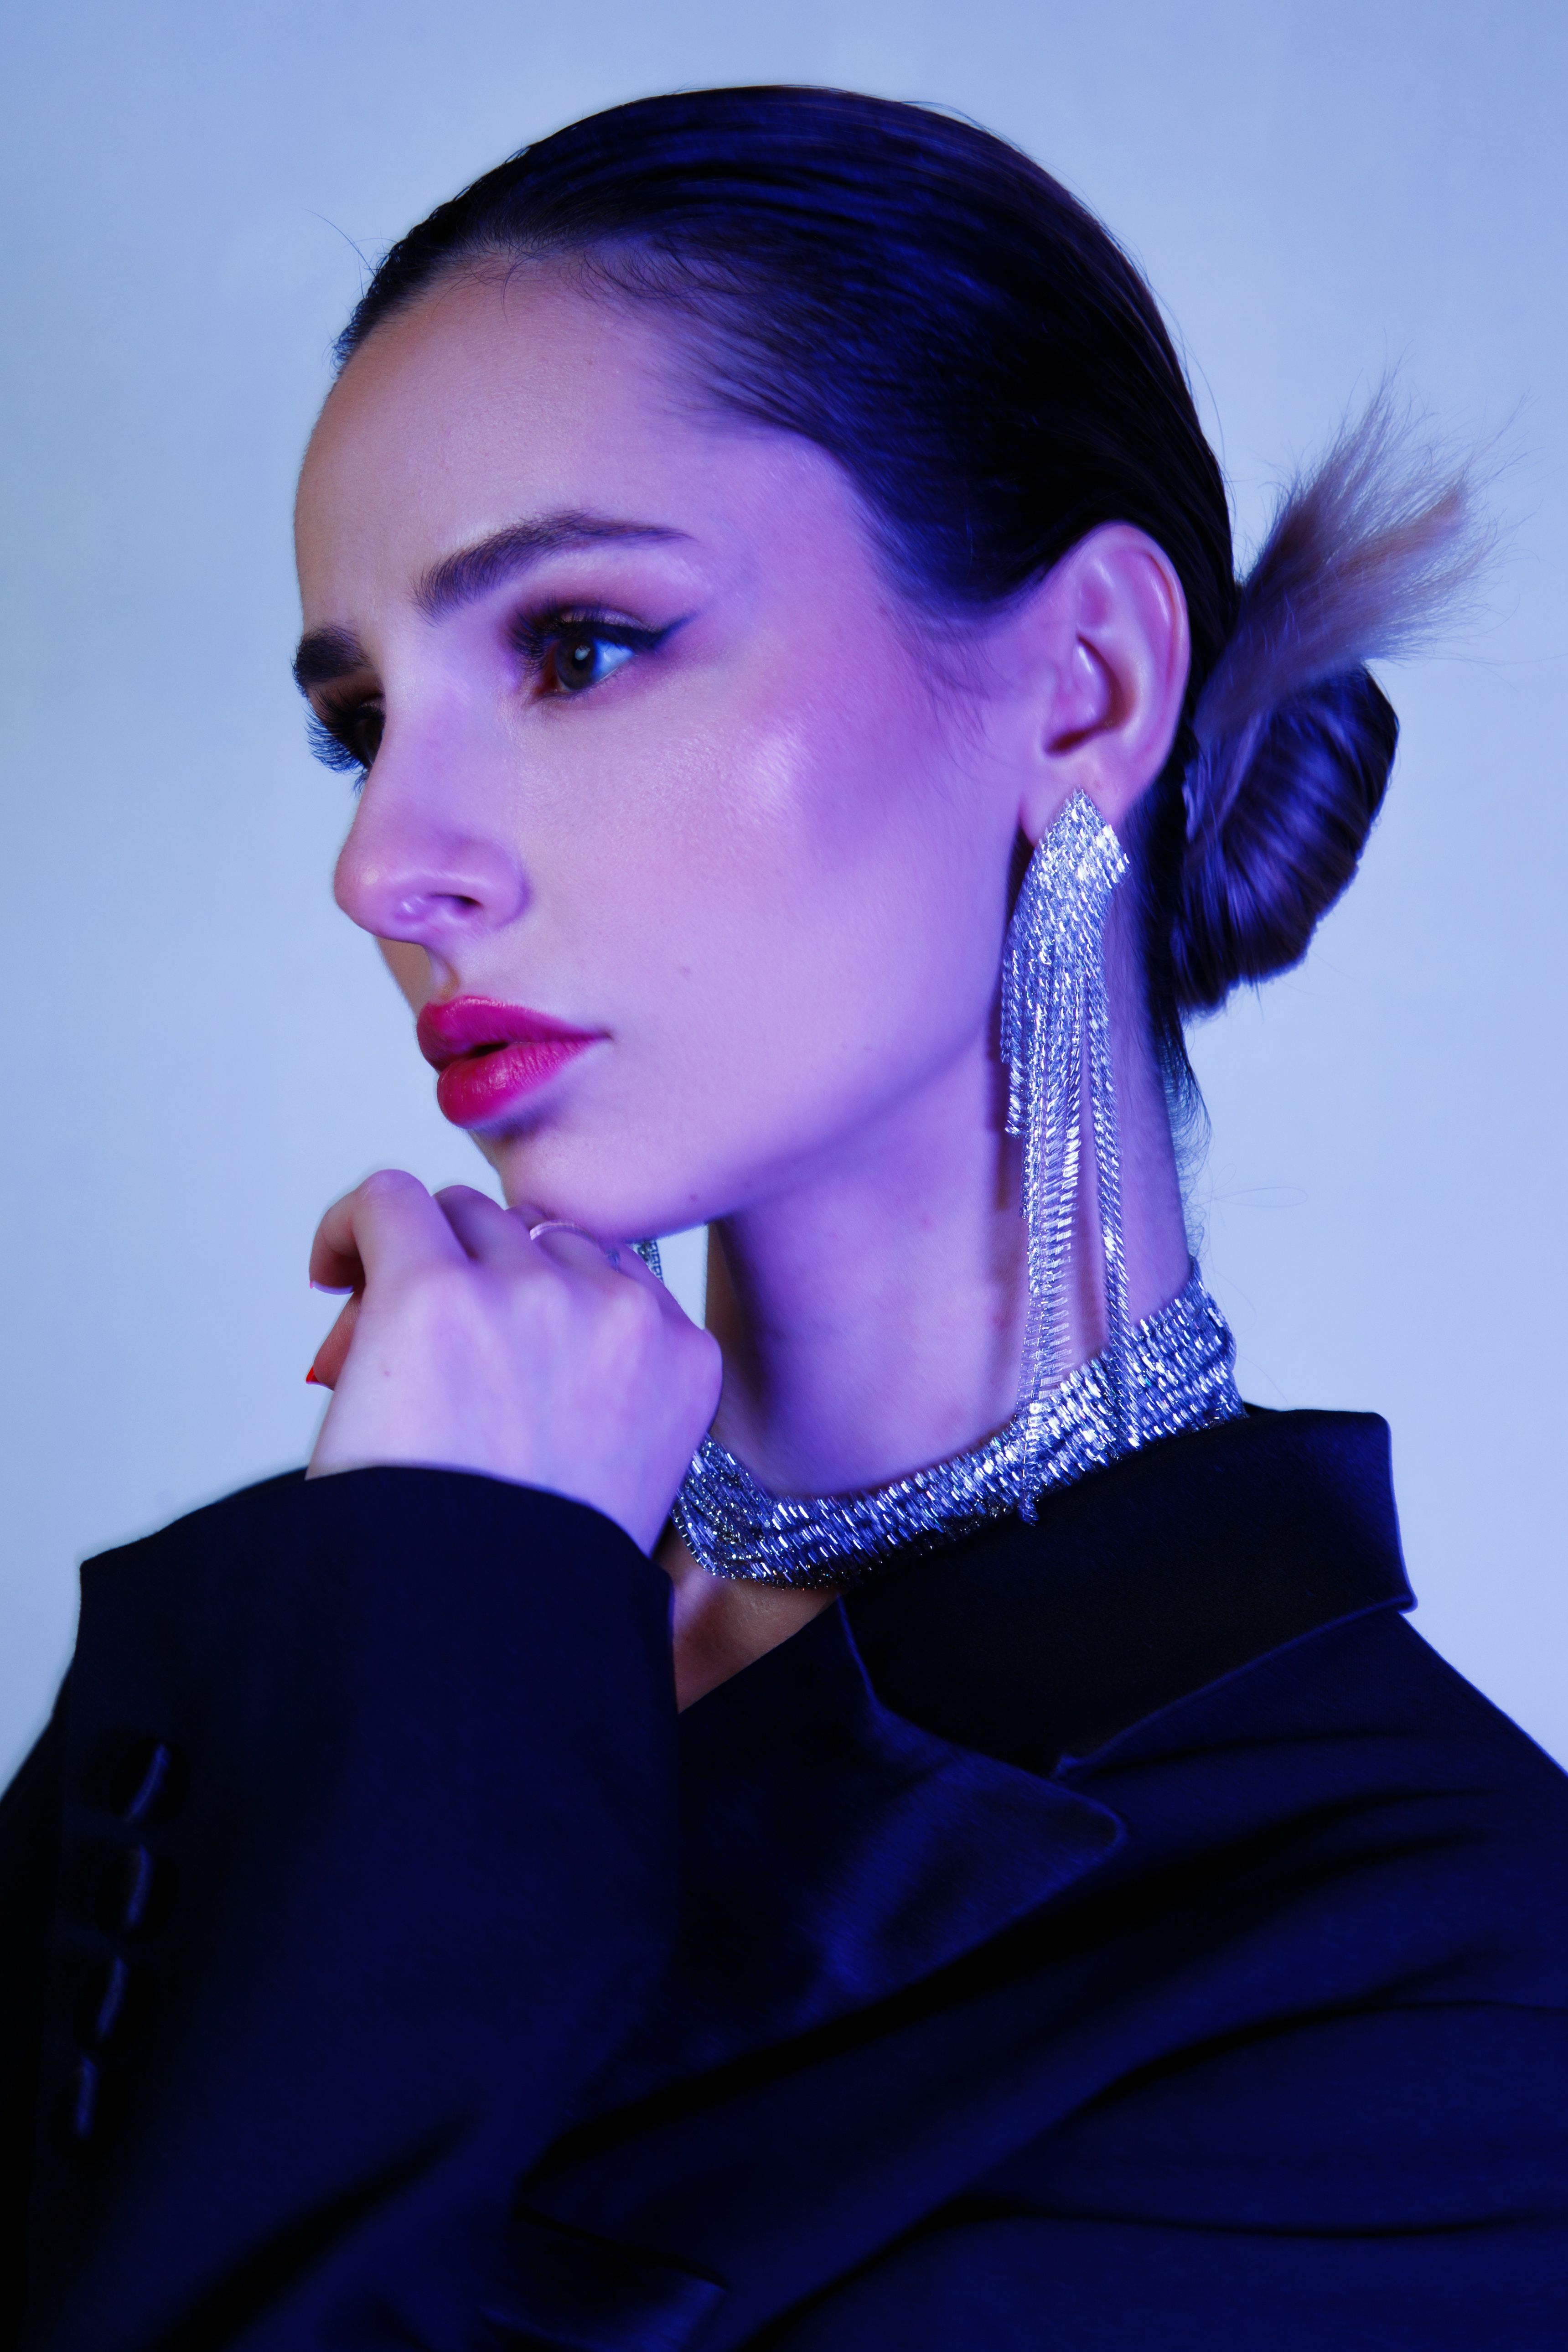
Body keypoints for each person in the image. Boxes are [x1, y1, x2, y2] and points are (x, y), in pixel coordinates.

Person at [3, 84, 1564, 2352]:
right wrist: (442, 1615)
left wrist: (453, 1629)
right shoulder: (324, 1644)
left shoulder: (1448, 1994)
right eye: (360, 721)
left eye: (574, 645)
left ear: (1085, 687)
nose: (384, 866)